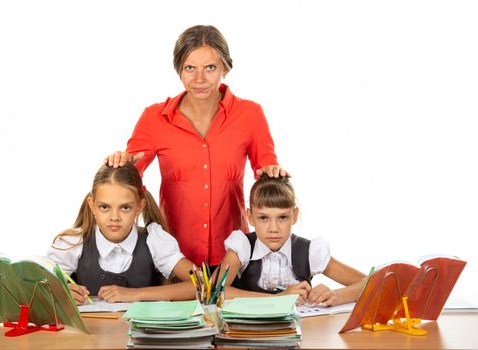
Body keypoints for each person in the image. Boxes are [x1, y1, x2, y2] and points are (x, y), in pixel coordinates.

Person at [105, 25, 288, 268]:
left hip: (234, 256)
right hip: (172, 257)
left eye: (210, 67)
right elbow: (127, 180)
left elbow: (266, 174)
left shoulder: (250, 114)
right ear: (179, 70)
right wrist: (119, 165)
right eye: (190, 68)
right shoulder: (154, 118)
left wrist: (273, 173)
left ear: (225, 68)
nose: (199, 79)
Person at [47, 163, 195, 304]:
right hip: (91, 330)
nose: (114, 217)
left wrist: (137, 294)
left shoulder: (155, 241)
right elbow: (34, 290)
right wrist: (60, 294)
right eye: (104, 207)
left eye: (125, 208)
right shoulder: (73, 243)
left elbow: (202, 285)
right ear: (92, 205)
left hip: (142, 330)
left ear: (139, 206)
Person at [219, 175, 366, 306]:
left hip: (302, 331)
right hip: (249, 330)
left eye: (282, 217)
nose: (273, 228)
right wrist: (279, 299)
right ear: (250, 216)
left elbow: (369, 283)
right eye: (263, 218)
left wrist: (336, 295)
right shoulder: (243, 247)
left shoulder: (309, 251)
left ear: (294, 215)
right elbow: (215, 291)